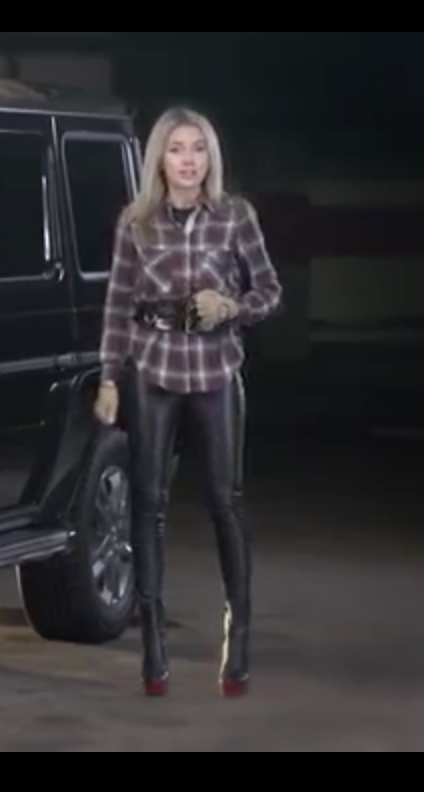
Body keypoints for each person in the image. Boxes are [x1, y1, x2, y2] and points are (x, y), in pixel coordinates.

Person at [92, 107, 283, 700]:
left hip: (217, 368)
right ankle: (153, 649)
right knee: (148, 502)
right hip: (152, 369)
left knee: (225, 501)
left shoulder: (235, 217)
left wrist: (232, 308)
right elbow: (119, 302)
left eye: (199, 148)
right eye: (177, 148)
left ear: (210, 158)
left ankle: (240, 642)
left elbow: (269, 290)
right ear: (161, 159)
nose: (189, 160)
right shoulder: (136, 223)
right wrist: (109, 377)